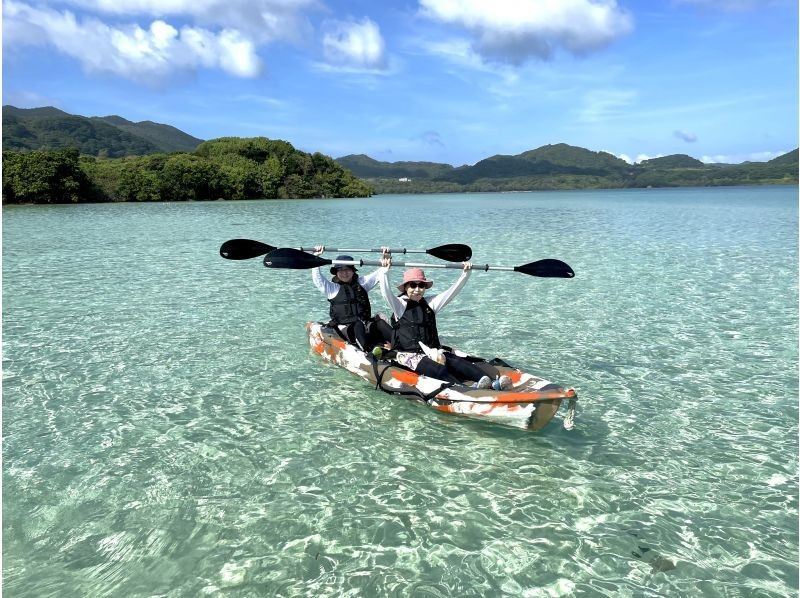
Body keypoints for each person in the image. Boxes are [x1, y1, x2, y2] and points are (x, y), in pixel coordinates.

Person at [378, 258, 511, 390]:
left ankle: (493, 382)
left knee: (456, 362)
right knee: (438, 369)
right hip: (409, 356)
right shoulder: (399, 306)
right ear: (406, 287)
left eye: (421, 285)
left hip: (433, 351)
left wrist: (465, 274)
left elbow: (451, 292)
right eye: (413, 285)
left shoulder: (430, 304)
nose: (417, 289)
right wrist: (384, 271)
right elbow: (386, 293)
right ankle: (466, 390)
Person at [311, 245, 393, 353]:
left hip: (365, 324)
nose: (345, 273)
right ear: (336, 272)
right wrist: (316, 257)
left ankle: (400, 345)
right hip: (345, 328)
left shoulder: (362, 283)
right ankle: (368, 351)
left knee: (380, 323)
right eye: (341, 270)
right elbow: (318, 279)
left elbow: (381, 272)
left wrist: (386, 256)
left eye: (348, 269)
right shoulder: (331, 288)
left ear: (353, 271)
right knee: (357, 325)